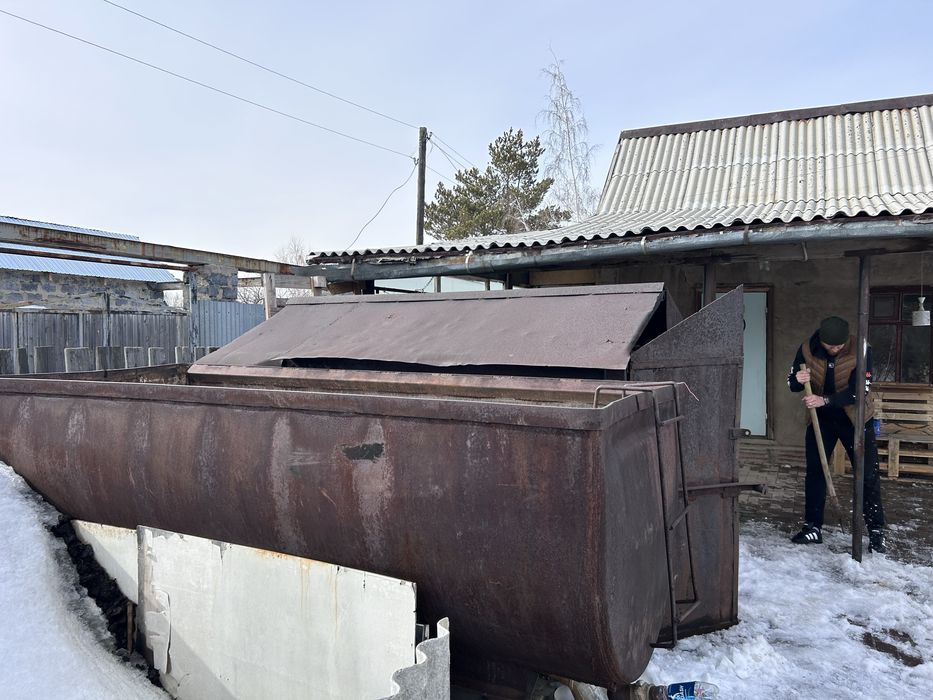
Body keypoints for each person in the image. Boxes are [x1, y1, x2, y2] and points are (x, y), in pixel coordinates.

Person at [787, 316, 887, 552]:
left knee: (867, 473)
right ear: (821, 340)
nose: (834, 349)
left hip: (855, 418)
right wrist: (797, 379)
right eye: (830, 346)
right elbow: (791, 383)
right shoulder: (806, 349)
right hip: (821, 419)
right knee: (816, 471)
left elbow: (859, 391)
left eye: (839, 346)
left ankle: (876, 531)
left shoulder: (862, 350)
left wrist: (825, 399)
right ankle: (812, 527)